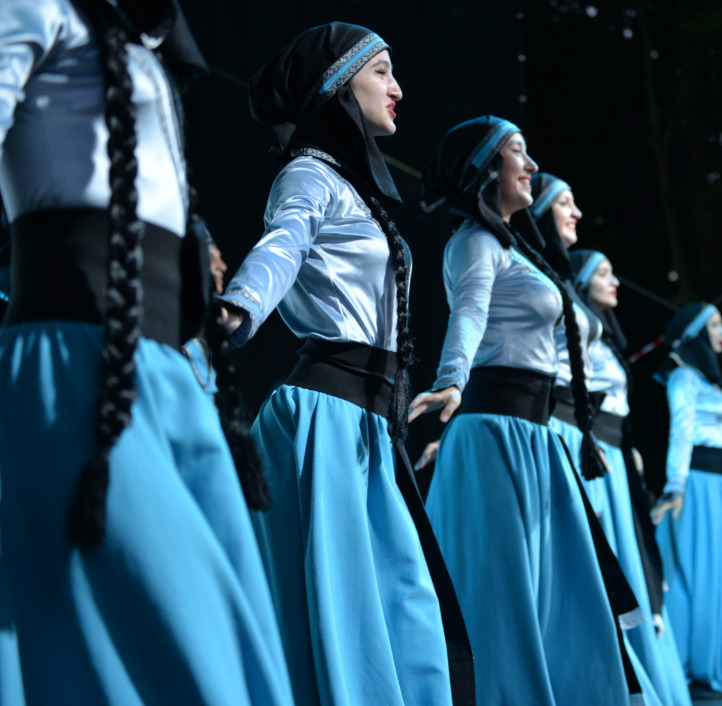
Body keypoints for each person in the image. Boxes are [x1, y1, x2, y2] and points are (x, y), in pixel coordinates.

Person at [0, 0, 293, 703]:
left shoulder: (130, 36)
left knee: (219, 638)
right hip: (76, 363)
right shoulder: (35, 8)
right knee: (169, 644)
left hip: (162, 372)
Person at [217, 23, 470, 705]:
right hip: (327, 417)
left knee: (402, 597)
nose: (398, 87)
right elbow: (283, 244)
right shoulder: (307, 175)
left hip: (368, 421)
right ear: (336, 85)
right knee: (349, 606)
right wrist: (236, 308)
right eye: (382, 70)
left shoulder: (348, 187)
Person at [410, 116, 636, 704]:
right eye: (518, 152)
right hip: (495, 434)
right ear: (486, 168)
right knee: (502, 590)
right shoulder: (474, 242)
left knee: (554, 587)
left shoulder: (519, 251)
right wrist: (451, 381)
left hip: (536, 436)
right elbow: (469, 313)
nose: (531, 165)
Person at [571, 248, 693, 706]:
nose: (615, 280)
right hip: (597, 455)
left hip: (618, 456)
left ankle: (644, 666)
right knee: (611, 553)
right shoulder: (578, 334)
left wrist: (628, 448)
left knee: (633, 554)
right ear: (583, 282)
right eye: (603, 273)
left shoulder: (604, 341)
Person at [652, 302, 722, 697]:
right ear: (697, 334)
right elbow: (681, 432)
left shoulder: (708, 382)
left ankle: (711, 661)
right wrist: (675, 485)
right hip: (697, 484)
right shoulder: (684, 378)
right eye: (715, 325)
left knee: (718, 575)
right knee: (695, 574)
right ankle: (690, 664)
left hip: (720, 485)